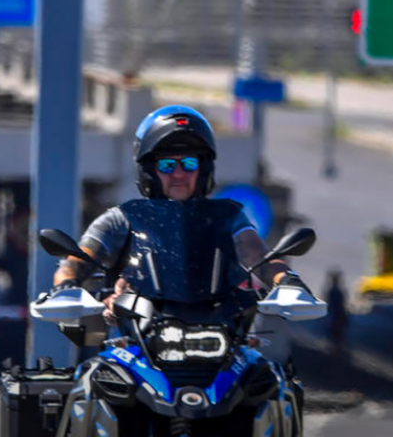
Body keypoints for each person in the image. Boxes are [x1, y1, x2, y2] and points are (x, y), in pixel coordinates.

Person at [48, 105, 313, 324]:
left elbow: (258, 256)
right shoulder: (120, 219)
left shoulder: (228, 216)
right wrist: (66, 285)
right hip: (140, 339)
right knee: (98, 380)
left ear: (204, 170)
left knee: (272, 382)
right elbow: (78, 260)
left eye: (188, 164)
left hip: (221, 335)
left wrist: (288, 281)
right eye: (166, 165)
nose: (178, 174)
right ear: (149, 171)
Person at [323, 268, 350, 358]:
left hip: (336, 314)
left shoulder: (334, 291)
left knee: (336, 332)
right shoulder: (336, 291)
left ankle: (336, 349)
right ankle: (336, 349)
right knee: (336, 332)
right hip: (337, 314)